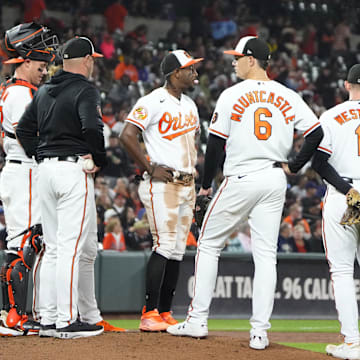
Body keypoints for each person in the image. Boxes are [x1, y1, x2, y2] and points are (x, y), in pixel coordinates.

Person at [167, 36, 323, 350]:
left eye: (238, 57)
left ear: (251, 60)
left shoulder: (231, 94)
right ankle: (260, 333)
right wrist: (294, 165)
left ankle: (197, 320)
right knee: (266, 256)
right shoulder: (287, 94)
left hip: (242, 176)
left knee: (209, 243)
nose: (234, 62)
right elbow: (316, 133)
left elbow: (214, 146)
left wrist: (206, 185)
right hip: (274, 177)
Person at [15, 36, 119, 339]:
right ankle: (66, 320)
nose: (93, 63)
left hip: (45, 171)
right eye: (92, 59)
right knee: (71, 249)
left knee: (55, 248)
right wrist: (99, 159)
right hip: (73, 169)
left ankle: (48, 319)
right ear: (86, 59)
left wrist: (42, 154)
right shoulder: (84, 89)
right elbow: (91, 127)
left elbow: (23, 129)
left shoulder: (45, 88)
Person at [120, 49, 203, 331]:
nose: (195, 73)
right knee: (165, 245)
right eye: (190, 69)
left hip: (186, 181)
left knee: (178, 249)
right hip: (162, 183)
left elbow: (193, 145)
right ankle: (149, 311)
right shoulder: (153, 100)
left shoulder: (191, 104)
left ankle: (165, 311)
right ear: (175, 73)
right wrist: (147, 166)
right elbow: (127, 134)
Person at [0, 22, 58, 337]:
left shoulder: (19, 90)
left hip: (22, 170)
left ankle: (18, 314)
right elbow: (30, 135)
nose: (44, 68)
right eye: (40, 64)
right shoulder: (20, 93)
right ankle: (11, 316)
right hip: (25, 170)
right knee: (23, 242)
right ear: (23, 60)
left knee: (28, 242)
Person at [311, 64, 360, 360]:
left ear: (346, 84)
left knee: (342, 271)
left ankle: (353, 343)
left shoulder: (330, 115)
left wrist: (348, 190)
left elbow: (319, 163)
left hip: (346, 196)